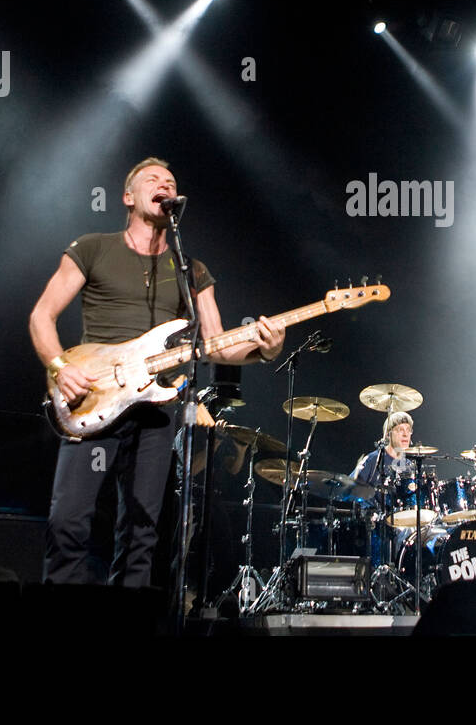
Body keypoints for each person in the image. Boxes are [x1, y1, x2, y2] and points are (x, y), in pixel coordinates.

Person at [29, 157, 285, 586]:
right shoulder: (92, 248)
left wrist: (264, 351)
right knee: (69, 521)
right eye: (152, 179)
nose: (164, 184)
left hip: (155, 407)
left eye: (171, 181)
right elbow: (42, 315)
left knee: (141, 533)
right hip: (91, 394)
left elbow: (216, 344)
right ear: (129, 197)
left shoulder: (191, 270)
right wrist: (59, 367)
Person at [352, 411, 415, 487]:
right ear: (388, 434)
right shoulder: (374, 459)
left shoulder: (408, 465)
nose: (406, 434)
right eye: (400, 430)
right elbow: (350, 487)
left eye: (408, 430)